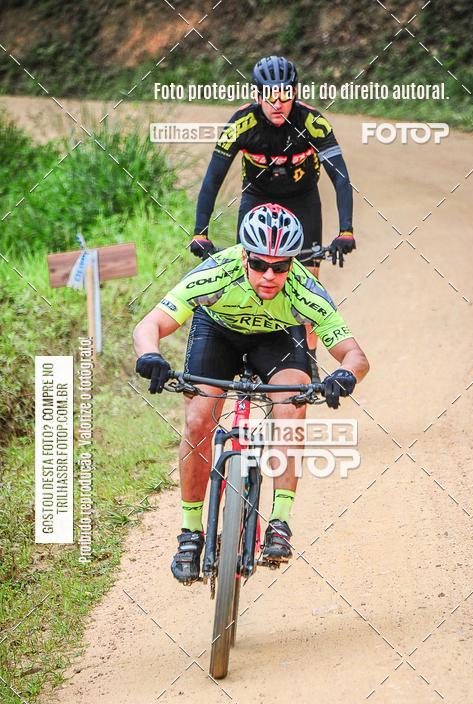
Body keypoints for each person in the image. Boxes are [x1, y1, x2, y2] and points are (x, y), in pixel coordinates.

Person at [133, 204, 369, 584]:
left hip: (277, 339)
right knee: (197, 421)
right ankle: (190, 533)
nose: (270, 275)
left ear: (293, 264)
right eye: (260, 264)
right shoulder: (216, 272)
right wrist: (150, 355)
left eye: (281, 266)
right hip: (218, 334)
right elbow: (151, 324)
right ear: (244, 256)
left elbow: (354, 354)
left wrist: (344, 374)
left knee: (291, 408)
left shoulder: (305, 291)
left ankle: (279, 522)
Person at [190, 55, 356, 378]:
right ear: (257, 95)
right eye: (269, 96)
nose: (277, 103)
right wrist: (200, 231)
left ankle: (306, 359)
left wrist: (346, 229)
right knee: (250, 273)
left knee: (307, 281)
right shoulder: (241, 123)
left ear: (295, 93)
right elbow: (212, 179)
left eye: (285, 95)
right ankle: (246, 348)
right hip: (257, 198)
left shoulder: (313, 123)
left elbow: (340, 177)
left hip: (302, 201)